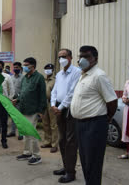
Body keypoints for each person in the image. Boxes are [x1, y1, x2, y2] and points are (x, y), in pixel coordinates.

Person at [71, 46, 117, 185]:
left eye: (87, 56)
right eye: (81, 56)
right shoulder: (83, 75)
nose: (82, 60)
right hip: (81, 124)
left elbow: (112, 101)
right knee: (85, 160)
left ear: (95, 59)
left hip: (95, 124)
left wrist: (106, 118)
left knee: (93, 161)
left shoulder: (99, 76)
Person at [51, 49, 81, 183]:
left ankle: (71, 172)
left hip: (69, 110)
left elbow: (72, 93)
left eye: (64, 56)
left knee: (70, 141)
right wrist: (53, 104)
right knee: (62, 140)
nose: (61, 59)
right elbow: (55, 91)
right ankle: (65, 166)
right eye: (59, 57)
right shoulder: (59, 74)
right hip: (58, 108)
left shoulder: (76, 72)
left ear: (70, 57)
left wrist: (61, 107)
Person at [13, 57, 47, 165]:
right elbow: (23, 93)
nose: (24, 67)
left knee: (32, 133)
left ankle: (37, 156)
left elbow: (42, 95)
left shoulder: (39, 78)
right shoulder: (25, 78)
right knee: (25, 133)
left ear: (32, 66)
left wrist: (41, 111)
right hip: (23, 109)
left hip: (33, 110)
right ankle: (27, 152)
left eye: (26, 65)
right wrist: (17, 99)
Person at [41, 63, 58, 153]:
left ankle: (54, 144)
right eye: (46, 68)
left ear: (53, 70)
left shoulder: (55, 80)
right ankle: (47, 141)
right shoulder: (43, 80)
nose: (48, 70)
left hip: (52, 103)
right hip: (44, 103)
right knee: (45, 123)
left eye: (49, 69)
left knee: (54, 124)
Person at [7, 62, 23, 140]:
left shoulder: (23, 78)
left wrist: (18, 99)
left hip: (20, 100)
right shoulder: (11, 77)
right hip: (12, 100)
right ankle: (13, 131)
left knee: (19, 117)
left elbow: (24, 90)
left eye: (17, 67)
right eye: (14, 67)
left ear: (20, 68)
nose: (15, 69)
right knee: (13, 117)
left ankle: (21, 133)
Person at [119, 75, 129, 159]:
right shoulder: (128, 82)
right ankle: (127, 152)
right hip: (128, 108)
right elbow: (124, 94)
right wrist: (124, 99)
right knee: (127, 130)